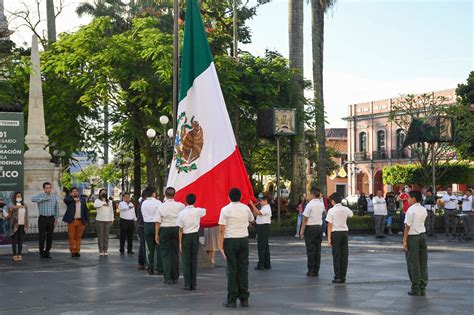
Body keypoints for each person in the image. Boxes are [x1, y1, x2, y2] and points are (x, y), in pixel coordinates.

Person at [219, 188, 254, 308]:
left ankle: (232, 299)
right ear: (240, 197)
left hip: (230, 240)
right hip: (243, 239)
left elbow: (222, 229)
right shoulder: (245, 208)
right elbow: (252, 219)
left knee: (232, 269)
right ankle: (244, 299)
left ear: (229, 197)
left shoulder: (225, 209)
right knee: (243, 269)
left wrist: (220, 244)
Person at [156, 187, 185, 284]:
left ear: (165, 194)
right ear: (174, 194)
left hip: (165, 229)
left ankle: (167, 277)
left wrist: (157, 234)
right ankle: (175, 276)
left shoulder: (161, 206)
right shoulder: (180, 206)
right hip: (176, 228)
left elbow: (158, 222)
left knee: (165, 254)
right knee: (175, 253)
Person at [177, 193, 206, 290]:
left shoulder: (182, 213)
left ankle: (187, 283)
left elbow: (180, 229)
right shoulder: (198, 211)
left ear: (185, 201)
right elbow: (205, 211)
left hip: (185, 236)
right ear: (195, 201)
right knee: (194, 259)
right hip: (195, 235)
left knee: (186, 260)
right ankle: (194, 283)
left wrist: (180, 242)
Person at [403, 190, 428, 296]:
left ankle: (415, 288)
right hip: (422, 236)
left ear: (413, 199)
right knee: (423, 262)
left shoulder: (410, 210)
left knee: (413, 263)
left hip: (413, 237)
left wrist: (404, 240)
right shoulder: (423, 209)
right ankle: (422, 287)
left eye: (409, 198)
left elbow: (407, 226)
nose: (407, 199)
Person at [326, 192, 353, 284]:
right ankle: (343, 276)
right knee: (344, 255)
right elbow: (351, 215)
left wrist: (329, 238)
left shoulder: (331, 211)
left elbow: (329, 225)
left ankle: (337, 276)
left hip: (335, 233)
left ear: (333, 201)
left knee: (336, 255)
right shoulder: (345, 209)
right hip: (344, 233)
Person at [299, 188, 325, 277]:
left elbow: (305, 218)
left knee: (310, 249)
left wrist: (302, 230)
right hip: (319, 227)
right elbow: (323, 213)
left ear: (313, 195)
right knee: (318, 249)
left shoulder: (310, 205)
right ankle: (316, 269)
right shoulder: (321, 204)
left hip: (310, 228)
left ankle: (311, 270)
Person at [32, 182, 59, 259]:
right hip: (42, 218)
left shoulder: (54, 196)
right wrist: (43, 199)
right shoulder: (40, 195)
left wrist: (56, 218)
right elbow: (32, 199)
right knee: (42, 236)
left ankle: (47, 252)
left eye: (50, 188)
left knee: (50, 236)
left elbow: (56, 208)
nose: (49, 189)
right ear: (44, 189)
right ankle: (41, 252)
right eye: (47, 188)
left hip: (51, 218)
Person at [141, 186, 163, 275]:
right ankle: (160, 268)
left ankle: (150, 268)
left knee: (149, 248)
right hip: (157, 224)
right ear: (154, 193)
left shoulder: (143, 203)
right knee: (159, 247)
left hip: (147, 225)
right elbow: (161, 214)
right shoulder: (158, 202)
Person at [63, 187, 89, 257]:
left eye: (76, 191)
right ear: (71, 193)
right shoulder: (69, 200)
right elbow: (65, 200)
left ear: (78, 192)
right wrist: (73, 199)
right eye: (73, 191)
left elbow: (85, 210)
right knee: (71, 237)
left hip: (80, 221)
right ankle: (73, 251)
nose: (75, 192)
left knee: (79, 237)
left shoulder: (82, 200)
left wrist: (86, 220)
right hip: (72, 221)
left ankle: (77, 251)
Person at [249, 195, 272, 270]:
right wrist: (253, 207)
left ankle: (261, 264)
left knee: (261, 246)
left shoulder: (266, 207)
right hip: (262, 227)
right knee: (265, 246)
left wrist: (252, 204)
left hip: (263, 227)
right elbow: (256, 214)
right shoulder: (264, 207)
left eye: (261, 201)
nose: (260, 202)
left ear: (265, 201)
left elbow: (258, 213)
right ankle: (267, 263)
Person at [93, 189, 115, 256]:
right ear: (100, 194)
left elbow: (111, 211)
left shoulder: (110, 202)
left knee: (106, 236)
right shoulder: (97, 201)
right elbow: (95, 205)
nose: (104, 193)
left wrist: (112, 219)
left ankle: (105, 250)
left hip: (108, 220)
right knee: (100, 236)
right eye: (102, 193)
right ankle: (101, 251)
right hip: (99, 220)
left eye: (105, 193)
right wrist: (103, 202)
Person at [9, 192, 28, 261]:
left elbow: (26, 216)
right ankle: (14, 255)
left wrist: (26, 224)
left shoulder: (25, 205)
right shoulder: (12, 204)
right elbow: (12, 208)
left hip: (22, 224)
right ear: (15, 197)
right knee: (14, 240)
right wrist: (18, 207)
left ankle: (19, 254)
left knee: (21, 240)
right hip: (15, 225)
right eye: (17, 196)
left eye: (20, 196)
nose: (19, 197)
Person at [135, 190, 147, 270]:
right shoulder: (143, 203)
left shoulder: (141, 203)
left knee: (142, 244)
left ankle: (141, 263)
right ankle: (143, 262)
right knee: (143, 245)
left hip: (140, 225)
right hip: (143, 225)